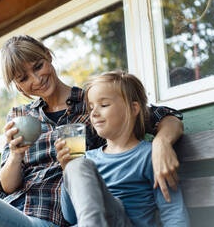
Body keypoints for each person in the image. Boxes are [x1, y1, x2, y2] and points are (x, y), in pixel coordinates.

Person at [0, 35, 183, 227]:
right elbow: (7, 186)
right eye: (24, 78)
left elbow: (165, 117)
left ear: (48, 56)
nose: (36, 79)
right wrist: (16, 156)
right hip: (8, 213)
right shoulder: (20, 116)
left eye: (38, 65)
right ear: (17, 86)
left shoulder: (94, 103)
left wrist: (161, 143)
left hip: (49, 219)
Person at [56, 71, 189, 227]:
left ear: (133, 109)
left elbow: (173, 213)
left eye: (104, 105)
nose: (94, 113)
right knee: (78, 164)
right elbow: (70, 217)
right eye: (91, 108)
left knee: (80, 165)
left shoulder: (151, 155)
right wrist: (67, 171)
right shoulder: (87, 157)